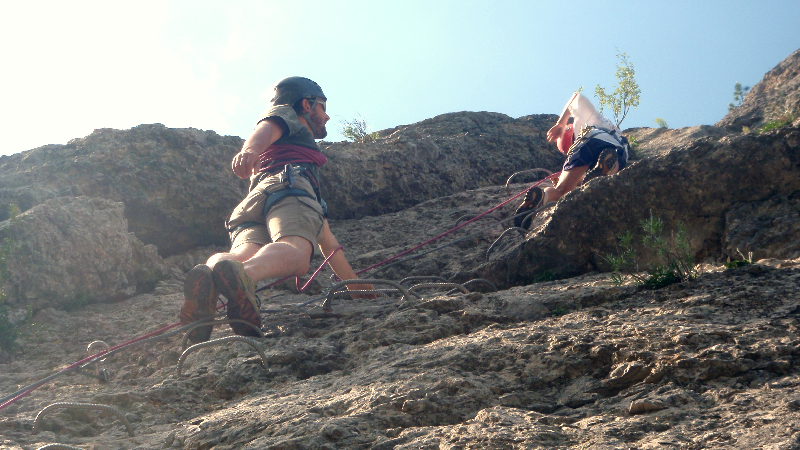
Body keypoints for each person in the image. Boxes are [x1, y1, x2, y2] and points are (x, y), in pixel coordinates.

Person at [180, 76, 375, 343]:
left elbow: (326, 241)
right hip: (290, 186)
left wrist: (356, 287)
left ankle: (208, 280)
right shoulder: (289, 116)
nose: (327, 117)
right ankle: (245, 277)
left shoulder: (290, 153)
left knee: (242, 254)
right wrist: (250, 150)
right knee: (295, 253)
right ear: (306, 104)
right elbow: (267, 126)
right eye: (323, 107)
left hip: (256, 200)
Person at [513, 91, 629, 227]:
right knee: (616, 159)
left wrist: (561, 124)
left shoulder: (580, 129)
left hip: (581, 148)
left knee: (561, 191)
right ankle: (610, 167)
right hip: (605, 141)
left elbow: (576, 96)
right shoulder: (599, 121)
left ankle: (543, 197)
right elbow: (577, 97)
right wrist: (562, 123)